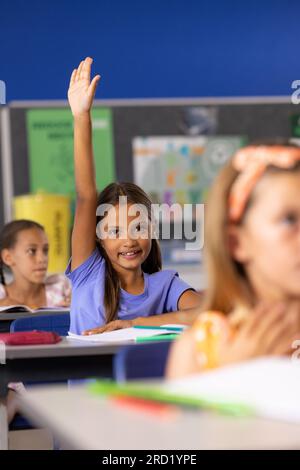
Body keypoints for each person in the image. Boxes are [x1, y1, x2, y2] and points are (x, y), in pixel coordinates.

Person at [67, 57, 202, 335]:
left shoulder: (164, 285)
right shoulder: (88, 272)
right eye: (114, 230)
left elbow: (206, 312)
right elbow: (85, 193)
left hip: (144, 381)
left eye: (138, 227)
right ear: (98, 238)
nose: (128, 239)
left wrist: (132, 324)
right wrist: (82, 117)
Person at [166, 143, 300, 378]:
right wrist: (232, 377)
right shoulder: (199, 351)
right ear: (236, 243)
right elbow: (189, 416)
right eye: (289, 220)